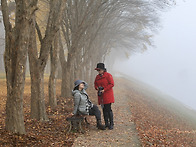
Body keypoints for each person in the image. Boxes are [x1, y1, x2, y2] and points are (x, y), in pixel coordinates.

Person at [94, 63, 115, 130]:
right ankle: (106, 123)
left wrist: (104, 89)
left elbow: (112, 84)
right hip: (101, 96)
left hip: (108, 95)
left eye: (99, 70)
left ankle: (111, 123)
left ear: (103, 69)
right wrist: (97, 88)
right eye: (98, 70)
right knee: (104, 110)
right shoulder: (97, 77)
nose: (98, 71)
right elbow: (95, 84)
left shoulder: (108, 75)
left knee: (108, 109)